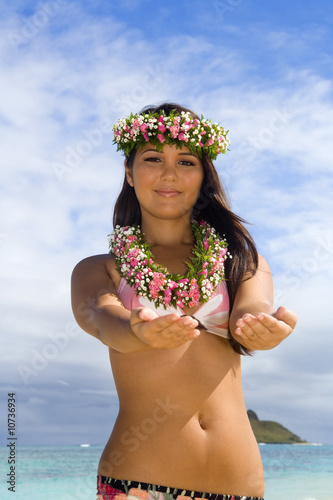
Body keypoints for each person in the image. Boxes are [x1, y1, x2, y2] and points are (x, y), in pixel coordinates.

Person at [71, 103, 297, 500]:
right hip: (137, 481)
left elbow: (252, 309)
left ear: (204, 175)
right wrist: (137, 331)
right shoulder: (101, 268)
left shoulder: (243, 261)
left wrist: (260, 329)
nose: (170, 173)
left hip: (238, 484)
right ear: (129, 171)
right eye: (154, 158)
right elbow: (103, 318)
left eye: (186, 161)